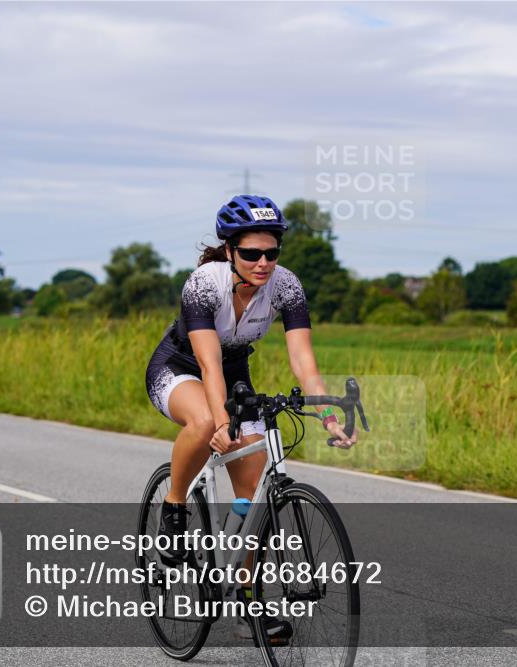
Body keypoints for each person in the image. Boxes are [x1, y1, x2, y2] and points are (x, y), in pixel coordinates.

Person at [144, 195, 357, 643]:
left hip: (234, 370)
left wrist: (326, 412)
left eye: (271, 253)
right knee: (204, 424)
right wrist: (221, 423)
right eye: (251, 254)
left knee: (255, 494)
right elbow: (208, 365)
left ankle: (244, 599)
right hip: (180, 367)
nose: (263, 263)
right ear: (229, 252)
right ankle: (175, 504)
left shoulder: (287, 286)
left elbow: (304, 360)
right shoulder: (203, 285)